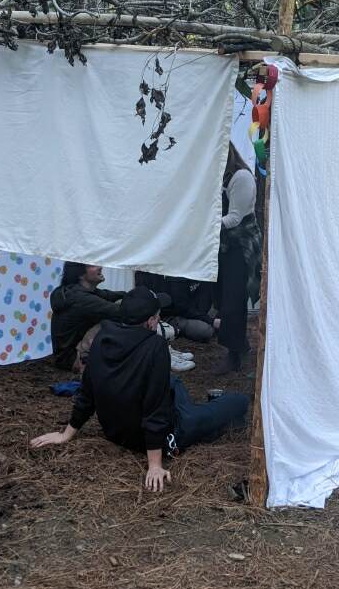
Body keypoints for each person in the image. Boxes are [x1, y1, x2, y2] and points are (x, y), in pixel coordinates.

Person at [30, 286, 250, 491]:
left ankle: (193, 410)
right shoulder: (155, 347)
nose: (159, 319)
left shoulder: (103, 337)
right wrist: (154, 464)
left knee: (174, 383)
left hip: (115, 431)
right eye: (157, 316)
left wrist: (66, 433)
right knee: (238, 402)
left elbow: (87, 393)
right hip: (157, 435)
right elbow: (155, 408)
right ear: (150, 322)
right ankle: (204, 413)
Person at [215, 147, 261, 375]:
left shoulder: (241, 178)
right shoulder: (220, 176)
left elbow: (234, 219)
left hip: (242, 246)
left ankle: (234, 354)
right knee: (225, 297)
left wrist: (205, 224)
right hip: (227, 244)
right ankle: (240, 345)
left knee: (233, 300)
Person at [50, 262, 125, 371]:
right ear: (80, 274)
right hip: (72, 359)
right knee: (117, 315)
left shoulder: (81, 292)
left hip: (67, 356)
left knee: (122, 303)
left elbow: (113, 295)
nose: (100, 266)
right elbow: (120, 312)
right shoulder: (80, 298)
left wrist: (142, 295)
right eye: (92, 265)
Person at [135, 272, 215, 342]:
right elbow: (181, 307)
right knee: (205, 330)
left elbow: (183, 306)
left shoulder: (182, 271)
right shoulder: (145, 271)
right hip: (166, 316)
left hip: (183, 312)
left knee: (205, 329)